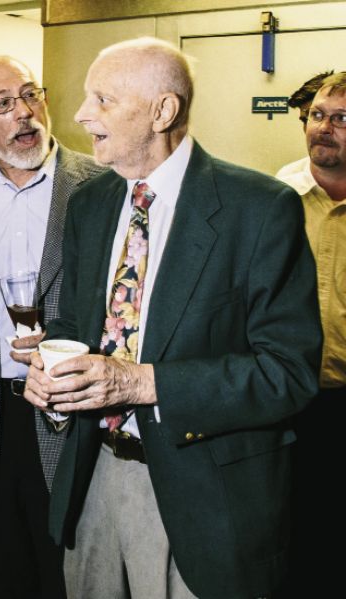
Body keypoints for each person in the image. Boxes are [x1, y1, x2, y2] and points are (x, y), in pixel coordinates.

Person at [23, 38, 321, 599]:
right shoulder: (89, 205)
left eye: (103, 99)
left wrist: (141, 382)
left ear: (163, 110)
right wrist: (51, 367)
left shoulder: (260, 209)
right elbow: (74, 324)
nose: (82, 115)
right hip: (93, 480)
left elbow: (289, 372)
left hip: (201, 495)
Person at [0, 56, 103, 599]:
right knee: (3, 573)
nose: (25, 113)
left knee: (73, 576)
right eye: (3, 104)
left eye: (31, 95)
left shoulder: (102, 188)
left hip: (73, 410)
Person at [275, 71, 346, 598]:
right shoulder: (277, 196)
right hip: (286, 400)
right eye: (318, 116)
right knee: (288, 535)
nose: (324, 128)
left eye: (342, 119)